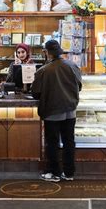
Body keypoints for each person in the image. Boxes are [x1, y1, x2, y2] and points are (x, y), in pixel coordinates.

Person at [32, 40, 82, 182]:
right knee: (69, 141)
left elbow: (36, 92)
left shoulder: (43, 70)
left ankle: (54, 173)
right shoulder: (73, 66)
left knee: (52, 143)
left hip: (52, 111)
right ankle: (69, 173)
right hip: (70, 110)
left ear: (47, 53)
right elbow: (79, 86)